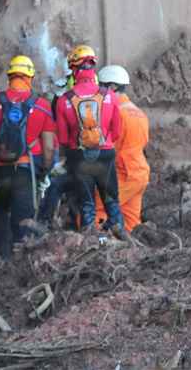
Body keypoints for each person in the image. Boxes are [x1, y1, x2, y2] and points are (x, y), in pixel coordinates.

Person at [0, 55, 56, 259]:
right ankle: (19, 265)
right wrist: (44, 171)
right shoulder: (43, 105)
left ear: (9, 76)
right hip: (25, 173)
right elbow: (48, 147)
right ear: (31, 77)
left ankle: (2, 259)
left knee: (0, 215)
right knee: (23, 221)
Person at [55, 45, 126, 238]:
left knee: (87, 205)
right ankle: (122, 240)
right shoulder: (109, 95)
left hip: (79, 156)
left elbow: (61, 138)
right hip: (105, 153)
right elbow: (117, 131)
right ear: (93, 66)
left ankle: (90, 244)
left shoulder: (64, 100)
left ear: (74, 69)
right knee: (111, 200)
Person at [93, 65, 150, 232]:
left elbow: (108, 148)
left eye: (101, 86)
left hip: (124, 173)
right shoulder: (138, 112)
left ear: (112, 87)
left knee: (95, 211)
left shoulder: (115, 112)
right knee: (131, 221)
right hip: (140, 173)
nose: (98, 92)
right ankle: (133, 255)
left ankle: (100, 247)